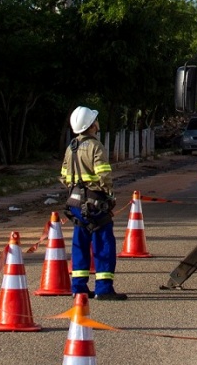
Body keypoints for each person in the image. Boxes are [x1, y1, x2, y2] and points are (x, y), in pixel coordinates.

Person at [60, 106, 127, 300]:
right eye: (95, 120)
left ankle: (78, 288)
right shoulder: (96, 146)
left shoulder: (71, 146)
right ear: (91, 125)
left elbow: (64, 176)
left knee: (79, 244)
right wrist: (109, 195)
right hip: (95, 202)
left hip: (75, 202)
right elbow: (104, 175)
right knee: (104, 243)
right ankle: (104, 288)